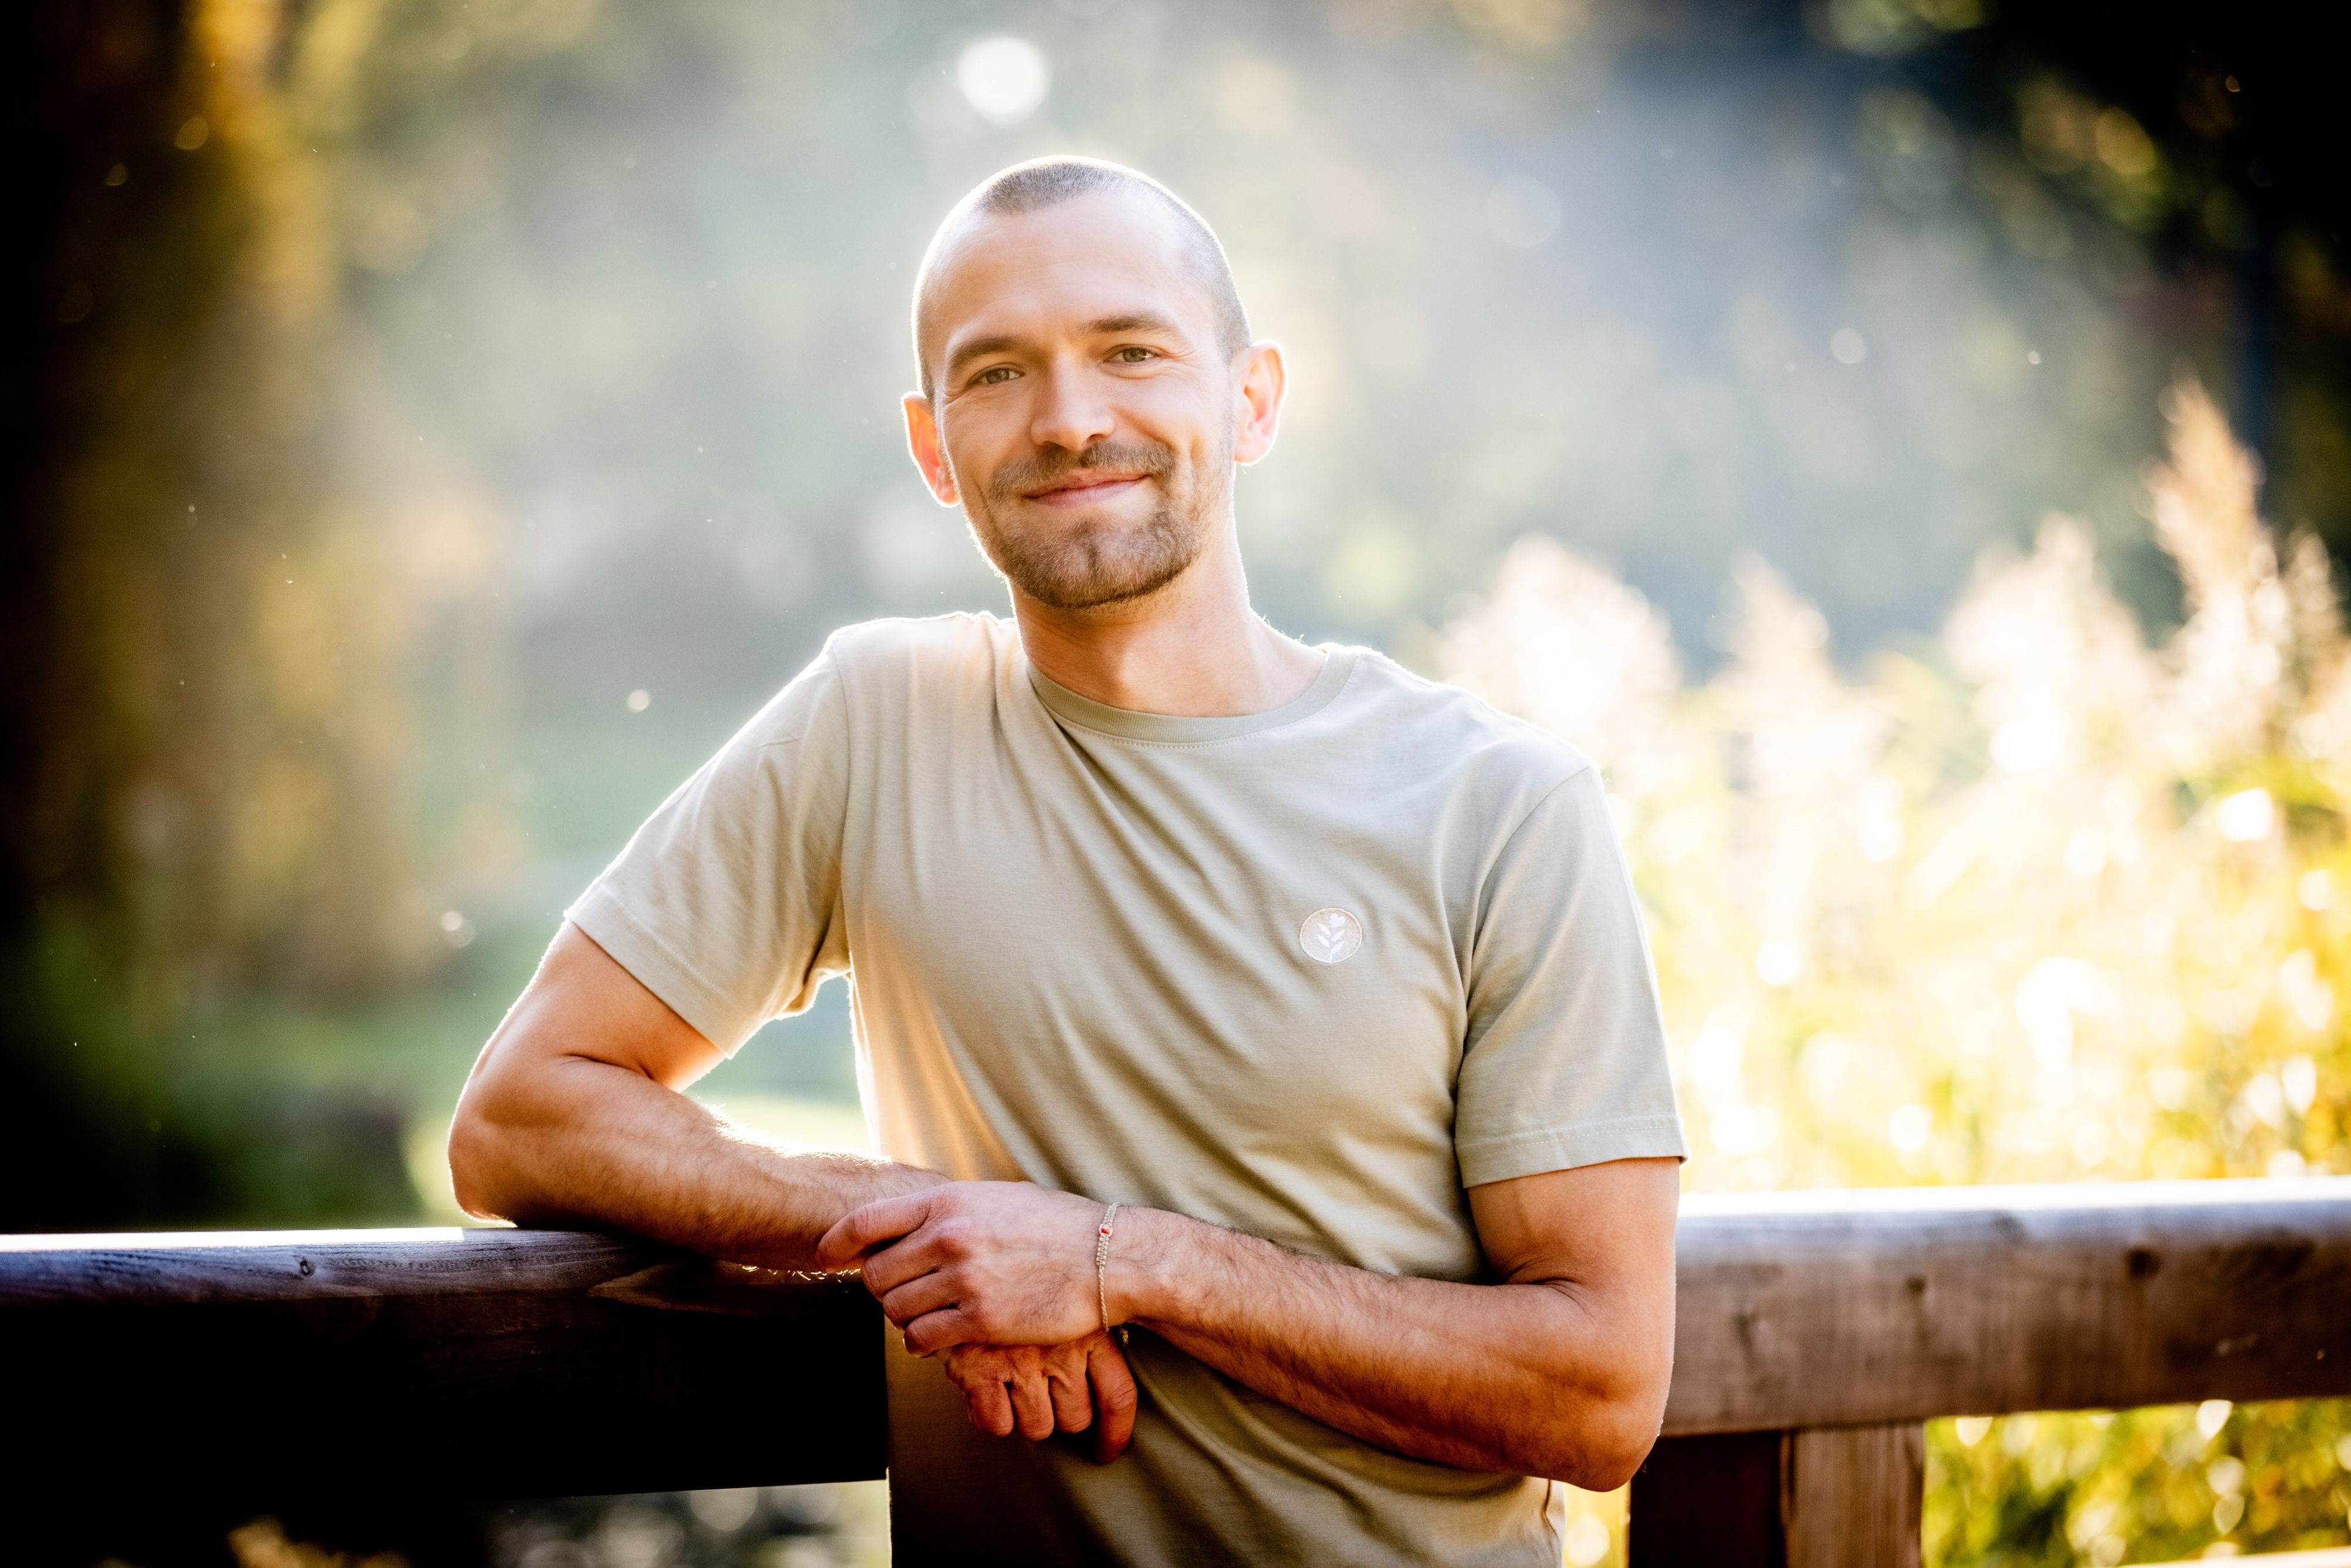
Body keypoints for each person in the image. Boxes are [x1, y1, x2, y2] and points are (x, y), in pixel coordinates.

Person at [448, 156, 1686, 1566]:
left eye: (1130, 351)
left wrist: (1124, 1259)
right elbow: (520, 1116)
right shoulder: (877, 722)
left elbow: (1596, 1395)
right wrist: (928, 1229)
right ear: (932, 448)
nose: (1070, 417)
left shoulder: (1501, 803)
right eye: (996, 373)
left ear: (1251, 398)